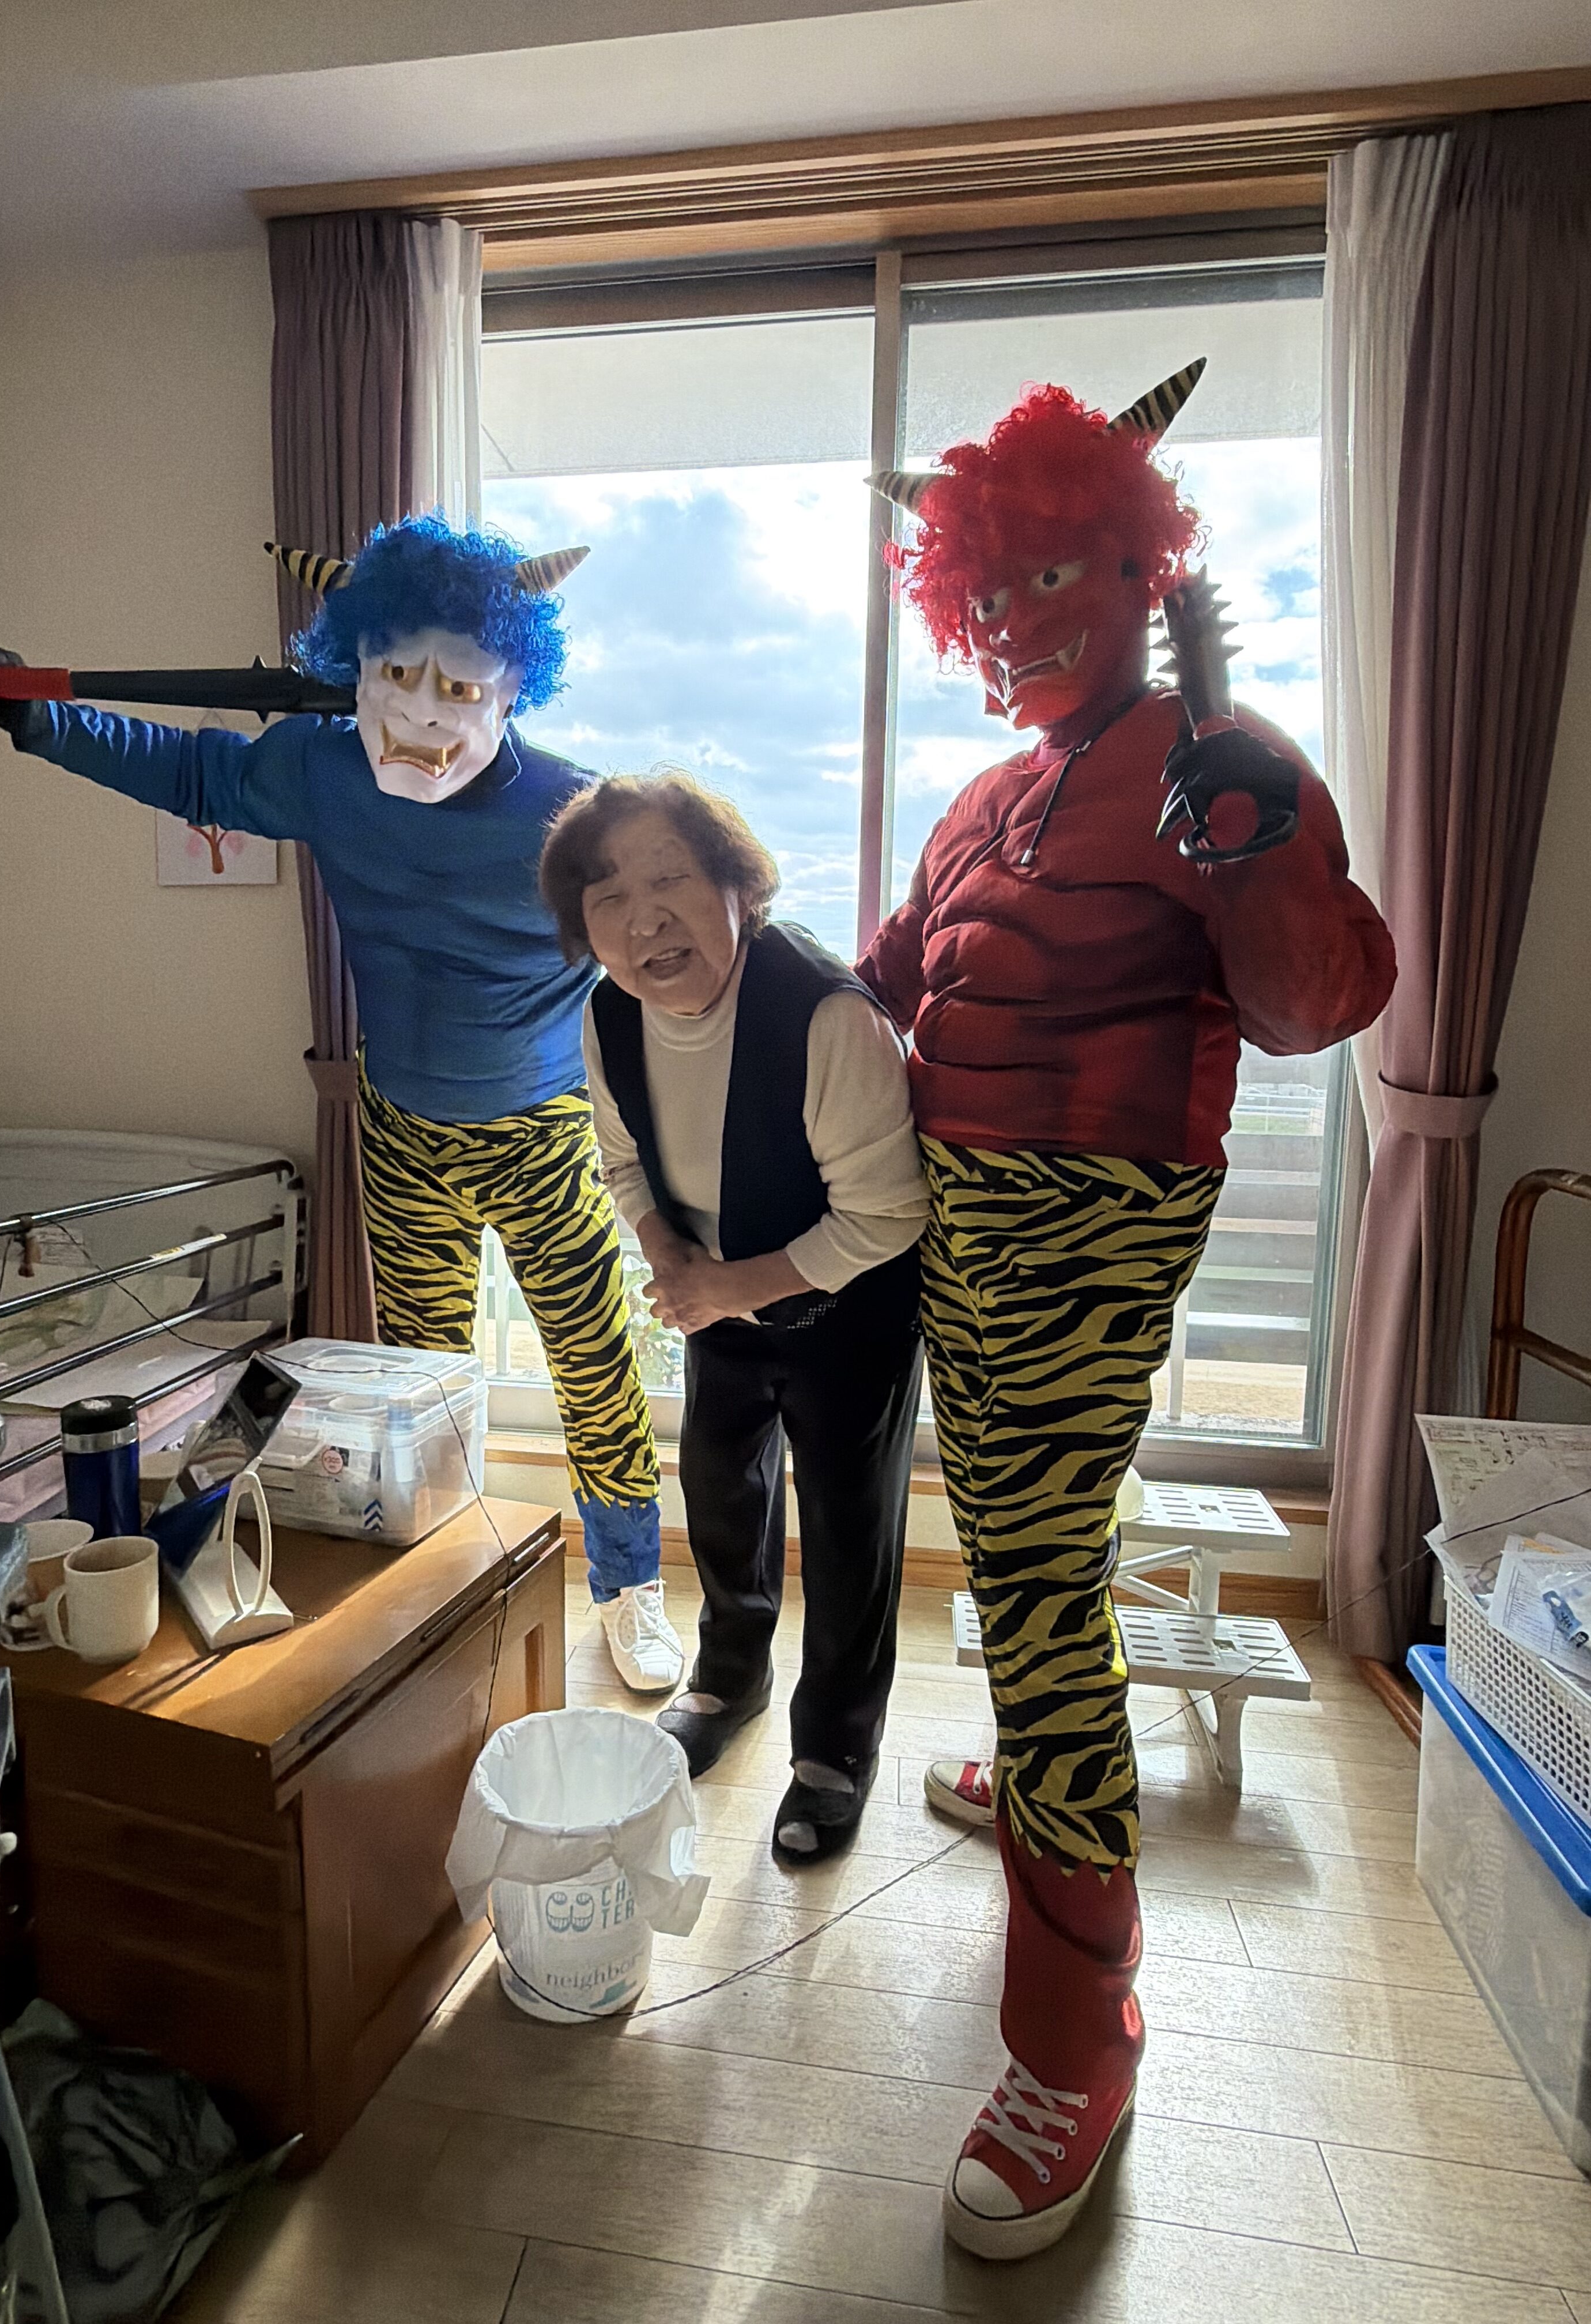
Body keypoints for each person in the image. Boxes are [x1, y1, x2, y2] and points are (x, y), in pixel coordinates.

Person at [858, 367, 1396, 2259]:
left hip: (1095, 1216)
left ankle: (1078, 2036)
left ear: (1136, 567)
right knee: (1033, 1546)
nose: (1017, 619)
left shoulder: (1216, 753)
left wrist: (1250, 835)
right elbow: (887, 988)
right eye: (988, 592)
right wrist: (705, 958)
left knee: (1027, 1586)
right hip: (947, 1214)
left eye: (1052, 575)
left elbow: (1317, 1006)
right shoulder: (977, 800)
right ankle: (1037, 1768)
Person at [0, 515, 684, 1692]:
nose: (424, 714)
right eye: (396, 677)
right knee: (425, 1385)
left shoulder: (578, 818)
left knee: (595, 1367)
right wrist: (30, 715)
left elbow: (680, 950)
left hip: (543, 1136)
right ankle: (449, 1583)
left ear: (512, 687)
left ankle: (632, 1588)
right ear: (355, 666)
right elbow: (187, 769)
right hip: (400, 1132)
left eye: (458, 688)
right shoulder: (322, 769)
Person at [539, 772, 929, 1862]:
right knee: (719, 1490)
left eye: (670, 880)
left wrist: (724, 1287)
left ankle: (835, 1750)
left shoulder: (827, 1012)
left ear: (739, 889)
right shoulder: (610, 1016)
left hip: (851, 1305)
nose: (644, 921)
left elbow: (888, 1213)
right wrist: (672, 1262)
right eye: (610, 898)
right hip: (718, 1294)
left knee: (849, 1533)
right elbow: (623, 1163)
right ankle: (730, 1678)